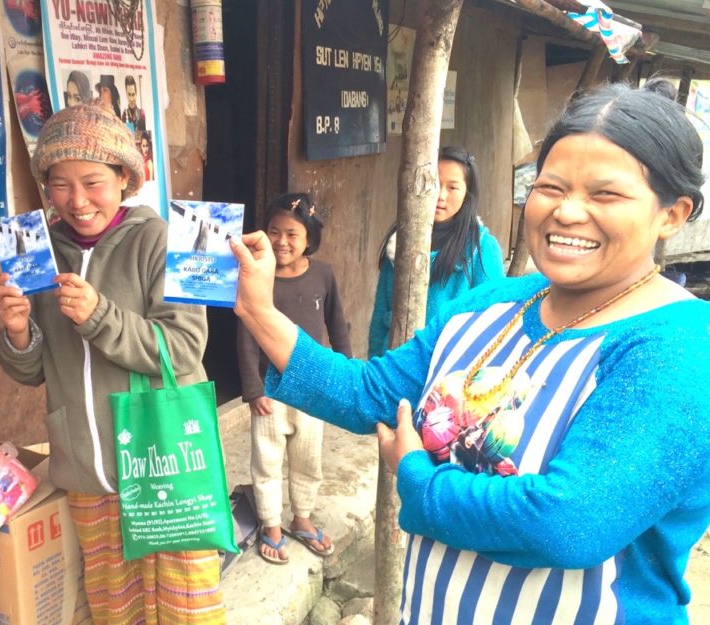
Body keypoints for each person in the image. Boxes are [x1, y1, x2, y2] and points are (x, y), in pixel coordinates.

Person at [230, 79, 709, 624]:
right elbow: (369, 394)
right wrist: (259, 310)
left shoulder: (681, 349)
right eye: (551, 188)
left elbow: (566, 524)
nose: (568, 213)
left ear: (673, 213)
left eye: (606, 194)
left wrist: (414, 474)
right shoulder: (494, 304)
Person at [0, 101, 225, 625]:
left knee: (187, 604)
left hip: (165, 460)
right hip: (90, 471)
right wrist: (16, 332)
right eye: (59, 184)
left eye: (93, 181)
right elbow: (32, 372)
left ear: (124, 177)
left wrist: (100, 316)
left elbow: (183, 347)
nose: (76, 201)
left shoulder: (160, 239)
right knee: (113, 607)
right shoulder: (36, 252)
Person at [236, 193, 352, 565]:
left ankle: (301, 517)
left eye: (292, 234)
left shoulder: (324, 274)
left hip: (314, 386)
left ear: (309, 239)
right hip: (271, 389)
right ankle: (271, 525)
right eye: (274, 232)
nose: (281, 242)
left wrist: (345, 375)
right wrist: (253, 388)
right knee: (267, 459)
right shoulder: (257, 278)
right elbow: (247, 335)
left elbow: (337, 325)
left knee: (307, 458)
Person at [368, 145, 504, 357]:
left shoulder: (482, 248)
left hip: (451, 374)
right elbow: (380, 318)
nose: (441, 195)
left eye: (452, 187)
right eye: (434, 184)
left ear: (467, 193)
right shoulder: (399, 242)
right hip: (396, 366)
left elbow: (493, 321)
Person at [121, 75, 147, 140]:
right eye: (129, 94)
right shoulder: (124, 115)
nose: (132, 99)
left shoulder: (141, 114)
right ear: (126, 94)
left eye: (133, 94)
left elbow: (143, 136)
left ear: (136, 93)